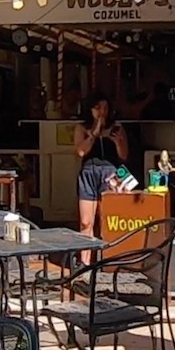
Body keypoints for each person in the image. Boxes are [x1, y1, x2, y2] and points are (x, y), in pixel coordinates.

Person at [74, 92, 128, 259]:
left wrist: (118, 143)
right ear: (91, 110)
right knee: (86, 222)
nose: (102, 112)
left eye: (105, 108)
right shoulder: (82, 128)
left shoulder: (117, 127)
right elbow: (81, 151)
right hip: (89, 173)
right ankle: (85, 261)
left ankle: (108, 258)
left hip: (110, 174)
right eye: (98, 108)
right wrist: (94, 132)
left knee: (107, 219)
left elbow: (124, 156)